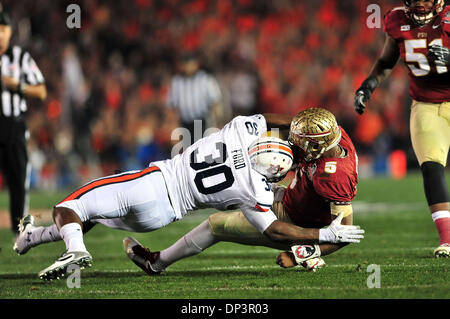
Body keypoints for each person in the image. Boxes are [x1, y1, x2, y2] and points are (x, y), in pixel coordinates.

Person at [14, 113, 364, 280]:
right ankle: (31, 237)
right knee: (88, 214)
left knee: (71, 205)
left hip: (154, 182)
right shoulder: (253, 189)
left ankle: (75, 250)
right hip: (162, 216)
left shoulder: (241, 129)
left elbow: (268, 122)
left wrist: (317, 242)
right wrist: (324, 236)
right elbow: (272, 230)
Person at [123, 108, 359, 274]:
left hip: (295, 221)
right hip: (288, 196)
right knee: (241, 182)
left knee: (217, 224)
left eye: (301, 140)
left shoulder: (334, 176)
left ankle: (156, 263)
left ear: (317, 146)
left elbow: (343, 234)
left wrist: (302, 253)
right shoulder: (332, 134)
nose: (293, 142)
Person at [354, 0, 450, 257]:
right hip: (427, 105)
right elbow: (386, 61)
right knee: (431, 166)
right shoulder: (396, 20)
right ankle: (448, 240)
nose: (421, 4)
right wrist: (369, 85)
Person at [0, 8, 47, 236]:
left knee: (18, 179)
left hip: (13, 126)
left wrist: (17, 86)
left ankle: (21, 231)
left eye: (3, 29)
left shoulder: (20, 57)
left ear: (10, 32)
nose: (0, 34)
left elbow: (41, 91)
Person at [166, 52, 224, 146]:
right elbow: (171, 106)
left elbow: (215, 102)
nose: (188, 66)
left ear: (196, 63)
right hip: (185, 122)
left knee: (204, 149)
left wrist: (218, 123)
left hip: (202, 121)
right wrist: (173, 126)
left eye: (190, 63)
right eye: (186, 63)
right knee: (187, 152)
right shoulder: (177, 81)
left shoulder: (205, 79)